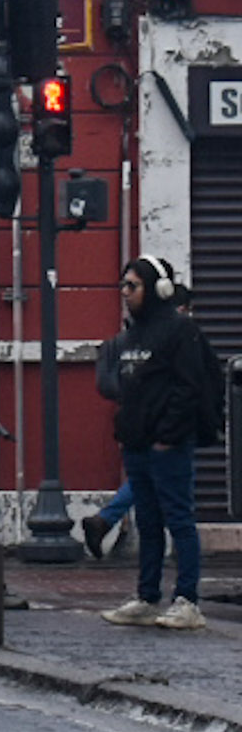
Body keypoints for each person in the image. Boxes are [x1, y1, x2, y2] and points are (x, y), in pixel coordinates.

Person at [95, 255, 221, 630]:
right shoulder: (133, 333)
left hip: (167, 445)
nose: (125, 293)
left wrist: (168, 436)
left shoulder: (180, 331)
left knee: (179, 520)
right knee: (148, 523)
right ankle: (147, 596)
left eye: (132, 286)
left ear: (157, 288)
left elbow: (188, 387)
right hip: (137, 444)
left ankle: (187, 600)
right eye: (123, 286)